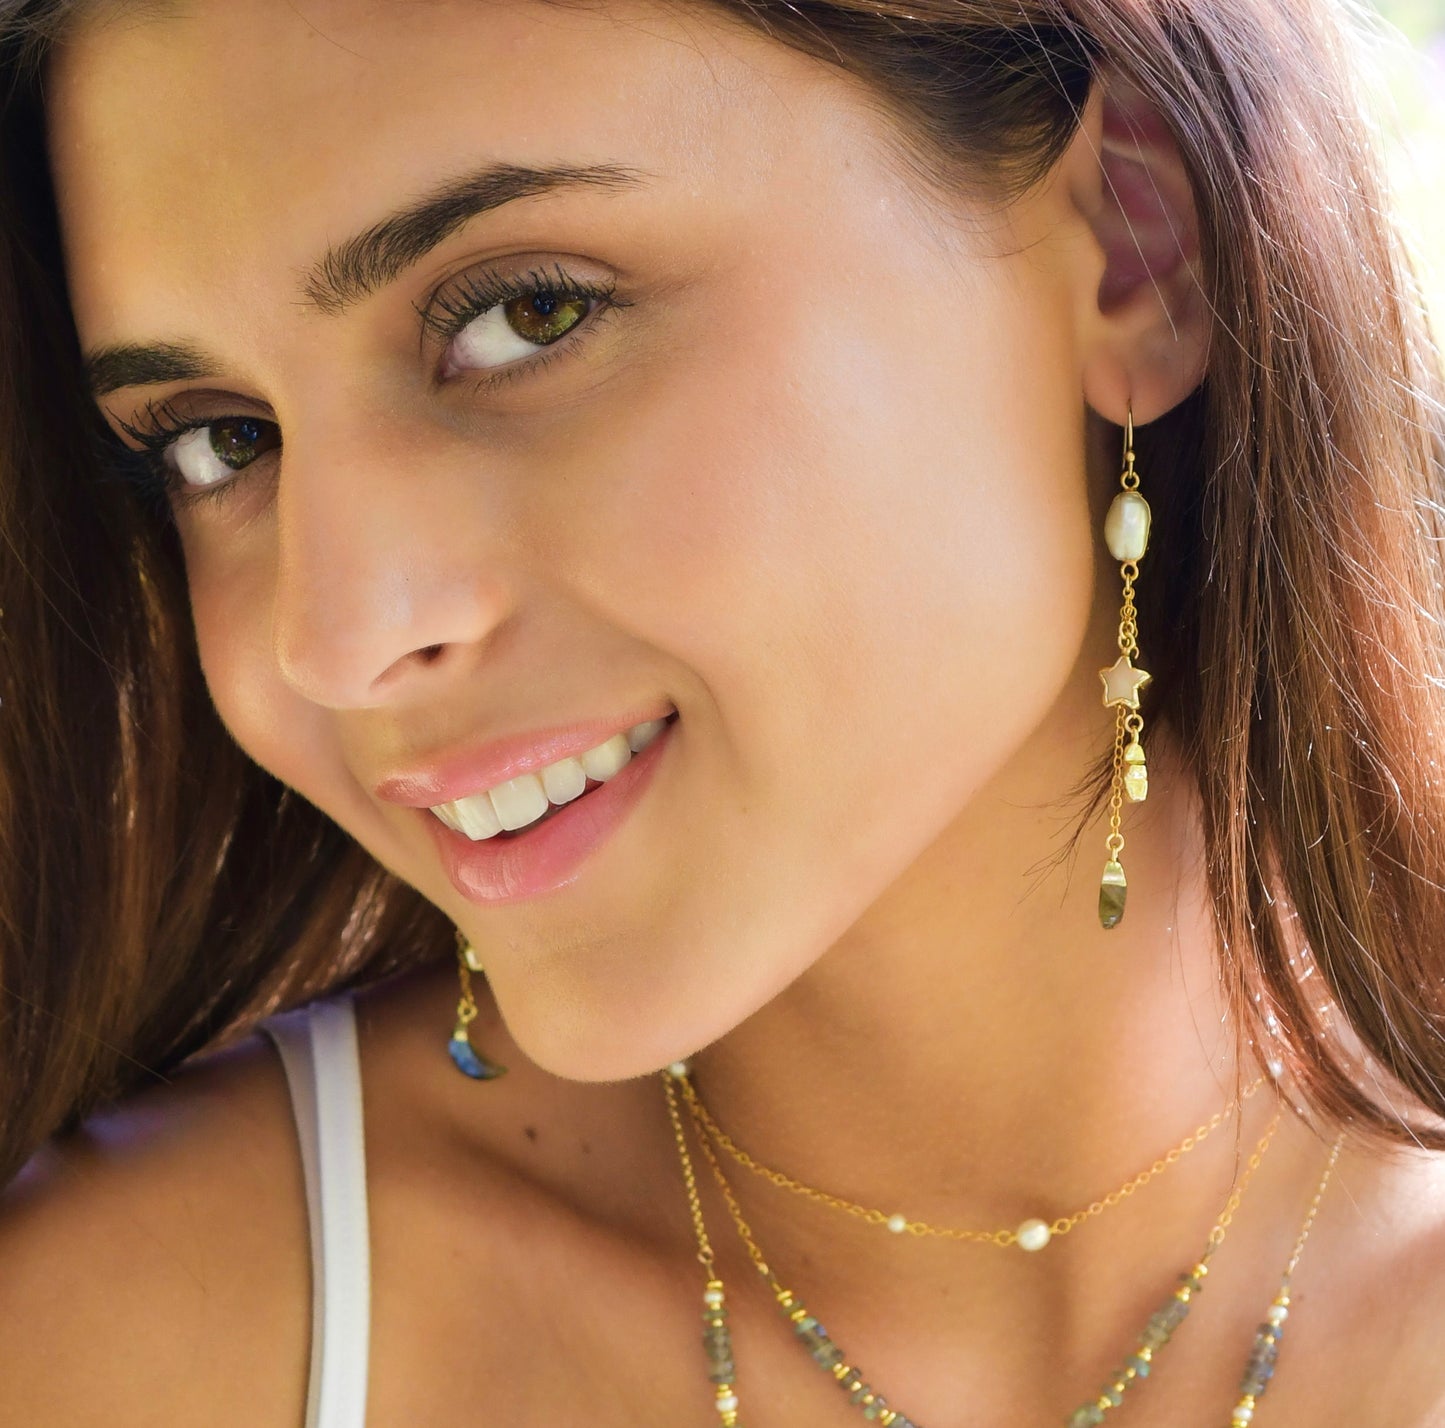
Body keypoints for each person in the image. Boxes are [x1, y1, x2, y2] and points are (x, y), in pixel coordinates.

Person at [1, 0, 1443, 1421]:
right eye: (216, 439)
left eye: (526, 315)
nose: (336, 638)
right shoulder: (134, 1348)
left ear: (1138, 245)